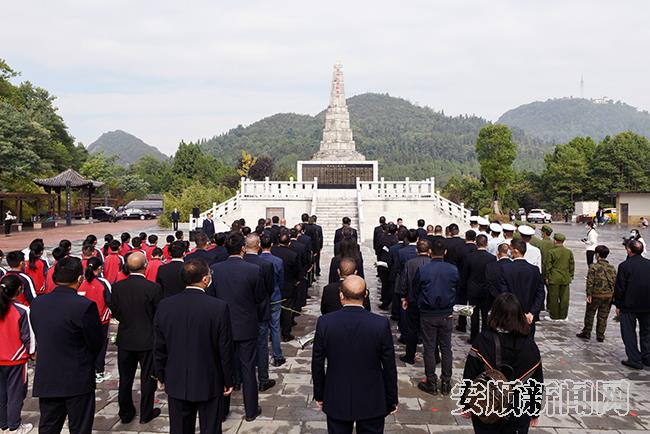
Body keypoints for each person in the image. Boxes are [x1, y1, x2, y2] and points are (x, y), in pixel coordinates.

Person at [153, 259, 234, 434]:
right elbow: (225, 349)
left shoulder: (166, 306)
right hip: (209, 379)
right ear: (205, 279)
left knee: (180, 428)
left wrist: (160, 374)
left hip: (177, 378)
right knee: (210, 428)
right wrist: (228, 379)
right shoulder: (218, 307)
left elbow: (159, 346)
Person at [312, 275, 398, 433]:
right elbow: (389, 366)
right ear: (366, 295)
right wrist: (392, 398)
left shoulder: (325, 322)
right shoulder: (379, 324)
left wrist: (319, 393)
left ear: (341, 296)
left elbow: (317, 362)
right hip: (372, 396)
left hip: (337, 394)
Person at [30, 257, 104, 434]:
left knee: (48, 426)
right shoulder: (84, 306)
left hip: (48, 375)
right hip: (76, 376)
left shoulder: (38, 303)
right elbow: (96, 341)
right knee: (79, 427)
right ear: (79, 279)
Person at [461, 292, 544, 433]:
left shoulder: (483, 341)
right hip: (518, 410)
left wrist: (466, 404)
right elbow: (537, 382)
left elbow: (470, 375)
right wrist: (534, 412)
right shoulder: (530, 346)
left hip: (486, 406)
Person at [208, 233, 265, 421]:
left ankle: (222, 411)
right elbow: (259, 297)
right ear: (242, 248)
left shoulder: (215, 269)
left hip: (222, 325)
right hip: (245, 324)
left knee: (223, 367)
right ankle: (250, 410)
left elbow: (212, 297)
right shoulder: (253, 269)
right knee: (248, 369)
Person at [109, 252, 162, 424]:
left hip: (126, 337)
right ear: (145, 266)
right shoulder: (153, 288)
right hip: (147, 338)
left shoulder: (118, 287)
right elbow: (158, 315)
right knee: (148, 378)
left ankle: (125, 412)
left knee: (126, 378)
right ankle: (146, 413)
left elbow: (115, 311)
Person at [413, 238, 458, 395]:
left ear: (430, 252)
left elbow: (416, 289)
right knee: (446, 348)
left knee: (430, 348)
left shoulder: (424, 270)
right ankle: (446, 382)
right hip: (446, 313)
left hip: (428, 313)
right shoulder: (453, 270)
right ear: (445, 252)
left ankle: (431, 381)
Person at [0, 274, 35, 434]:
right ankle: (14, 425)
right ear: (20, 290)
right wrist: (33, 353)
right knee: (16, 393)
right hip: (15, 358)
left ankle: (3, 423)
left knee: (1, 392)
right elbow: (28, 337)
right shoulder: (22, 310)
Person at [242, 234, 276, 393]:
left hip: (242, 311)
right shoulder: (265, 264)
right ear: (259, 245)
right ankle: (263, 379)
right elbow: (269, 290)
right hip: (260, 311)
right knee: (262, 346)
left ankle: (239, 379)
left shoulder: (240, 263)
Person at [614, 239, 650, 369]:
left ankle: (634, 359)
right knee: (647, 332)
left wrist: (617, 305)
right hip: (647, 304)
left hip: (629, 305)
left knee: (629, 332)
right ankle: (647, 357)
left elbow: (620, 287)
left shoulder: (625, 266)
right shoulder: (648, 264)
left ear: (629, 250)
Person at [77, 257, 112, 383]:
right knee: (101, 345)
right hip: (101, 319)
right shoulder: (103, 283)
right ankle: (99, 371)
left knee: (86, 344)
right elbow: (109, 300)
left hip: (84, 319)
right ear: (99, 269)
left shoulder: (81, 283)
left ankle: (89, 370)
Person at [499, 240, 545, 331]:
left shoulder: (505, 269)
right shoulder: (535, 270)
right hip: (529, 317)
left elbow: (504, 293)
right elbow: (540, 294)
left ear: (516, 251)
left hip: (511, 315)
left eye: (510, 249)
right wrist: (532, 313)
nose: (509, 252)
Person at [398, 239, 432, 365]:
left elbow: (404, 281)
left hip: (413, 300)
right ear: (429, 251)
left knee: (412, 329)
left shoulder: (409, 263)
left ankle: (410, 355)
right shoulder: (432, 263)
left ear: (417, 250)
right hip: (429, 302)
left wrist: (403, 297)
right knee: (429, 330)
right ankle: (434, 356)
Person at [577, 245, 616, 342]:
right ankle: (600, 335)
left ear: (597, 255)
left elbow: (590, 282)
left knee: (590, 313)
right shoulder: (612, 268)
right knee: (603, 316)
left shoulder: (593, 267)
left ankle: (587, 332)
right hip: (608, 295)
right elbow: (615, 282)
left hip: (596, 295)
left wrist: (588, 295)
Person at [462, 234, 496, 343]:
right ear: (486, 244)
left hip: (473, 289)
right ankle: (485, 338)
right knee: (485, 316)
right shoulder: (492, 258)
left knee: (474, 315)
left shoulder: (470, 257)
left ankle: (474, 337)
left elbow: (465, 274)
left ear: (476, 243)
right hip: (486, 290)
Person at [259, 235, 286, 367]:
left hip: (261, 298)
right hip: (275, 296)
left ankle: (261, 356)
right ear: (272, 245)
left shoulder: (257, 260)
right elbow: (281, 281)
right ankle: (277, 355)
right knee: (275, 327)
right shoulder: (278, 261)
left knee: (262, 328)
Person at [271, 233, 300, 342]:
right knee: (287, 312)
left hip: (275, 285)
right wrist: (296, 281)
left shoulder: (273, 251)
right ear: (289, 243)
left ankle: (274, 333)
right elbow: (296, 271)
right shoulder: (292, 255)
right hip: (288, 287)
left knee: (274, 311)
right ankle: (286, 334)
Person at [545, 233, 575, 321]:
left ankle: (554, 315)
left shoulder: (551, 252)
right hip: (565, 277)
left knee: (554, 297)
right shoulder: (568, 252)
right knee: (564, 298)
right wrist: (571, 275)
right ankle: (563, 315)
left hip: (554, 277)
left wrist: (547, 276)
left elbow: (548, 266)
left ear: (555, 241)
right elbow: (572, 264)